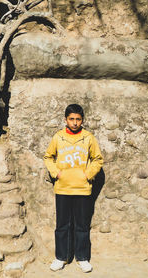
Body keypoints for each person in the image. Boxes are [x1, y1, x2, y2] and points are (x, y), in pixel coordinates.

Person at [43, 104, 103, 273]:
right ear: (66, 120)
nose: (75, 123)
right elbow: (48, 157)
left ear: (82, 120)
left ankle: (82, 258)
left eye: (78, 119)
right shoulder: (58, 137)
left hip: (83, 188)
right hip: (63, 188)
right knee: (62, 225)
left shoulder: (88, 137)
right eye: (72, 119)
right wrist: (56, 173)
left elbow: (98, 159)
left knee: (82, 225)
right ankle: (61, 258)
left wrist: (87, 175)